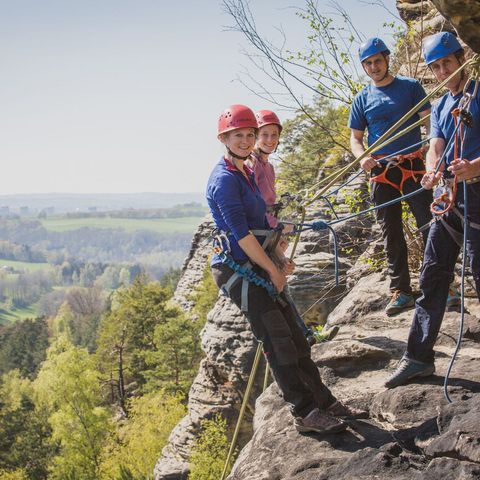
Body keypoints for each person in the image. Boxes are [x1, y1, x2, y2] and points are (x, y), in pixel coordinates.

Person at [207, 104, 364, 434]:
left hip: (257, 260)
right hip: (237, 269)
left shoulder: (246, 173)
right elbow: (243, 235)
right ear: (224, 137)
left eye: (251, 134)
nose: (247, 140)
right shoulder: (223, 180)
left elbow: (264, 222)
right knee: (277, 339)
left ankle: (323, 400)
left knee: (295, 335)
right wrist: (274, 270)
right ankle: (304, 412)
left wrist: (280, 254)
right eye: (239, 135)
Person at [385, 32, 480, 388]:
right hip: (450, 200)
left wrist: (475, 167)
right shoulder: (441, 106)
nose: (443, 71)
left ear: (461, 60)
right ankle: (418, 357)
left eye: (447, 63)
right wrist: (431, 168)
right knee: (432, 275)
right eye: (436, 66)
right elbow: (435, 144)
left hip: (477, 196)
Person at [349, 37, 433, 316]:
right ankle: (401, 291)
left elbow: (429, 120)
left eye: (377, 61)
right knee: (391, 232)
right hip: (381, 172)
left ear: (387, 59)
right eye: (368, 63)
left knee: (428, 224)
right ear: (364, 66)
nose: (374, 67)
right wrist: (363, 158)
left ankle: (439, 283)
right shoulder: (362, 98)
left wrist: (428, 142)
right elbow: (356, 138)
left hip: (412, 165)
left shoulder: (409, 87)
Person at [246, 109, 339, 345]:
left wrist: (279, 238)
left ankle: (304, 336)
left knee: (282, 288)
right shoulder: (252, 164)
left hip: (267, 237)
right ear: (256, 136)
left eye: (274, 135)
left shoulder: (268, 167)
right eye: (264, 134)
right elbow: (256, 209)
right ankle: (303, 337)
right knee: (279, 290)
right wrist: (280, 227)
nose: (269, 140)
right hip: (257, 237)